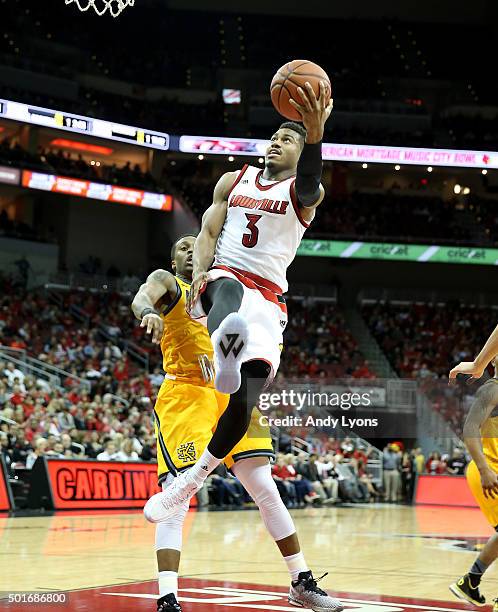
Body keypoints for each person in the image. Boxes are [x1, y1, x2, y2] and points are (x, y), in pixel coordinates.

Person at [147, 82, 334, 523]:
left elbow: (309, 183)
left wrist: (315, 134)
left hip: (268, 299)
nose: (275, 143)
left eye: (287, 139)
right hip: (225, 276)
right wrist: (197, 278)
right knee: (226, 290)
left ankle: (192, 480)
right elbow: (209, 231)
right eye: (273, 137)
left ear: (301, 150)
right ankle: (224, 345)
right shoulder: (235, 179)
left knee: (243, 402)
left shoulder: (305, 195)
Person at [132, 235, 343, 612]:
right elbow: (143, 295)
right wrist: (147, 311)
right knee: (177, 495)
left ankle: (301, 581)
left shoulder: (222, 283)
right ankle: (168, 597)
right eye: (181, 245)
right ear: (172, 257)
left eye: (195, 244)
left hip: (231, 392)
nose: (189, 248)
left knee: (265, 485)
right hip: (186, 395)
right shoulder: (169, 281)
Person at [450, 358, 498, 606]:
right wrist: (484, 469)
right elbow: (469, 430)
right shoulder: (493, 388)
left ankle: (471, 581)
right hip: (488, 469)